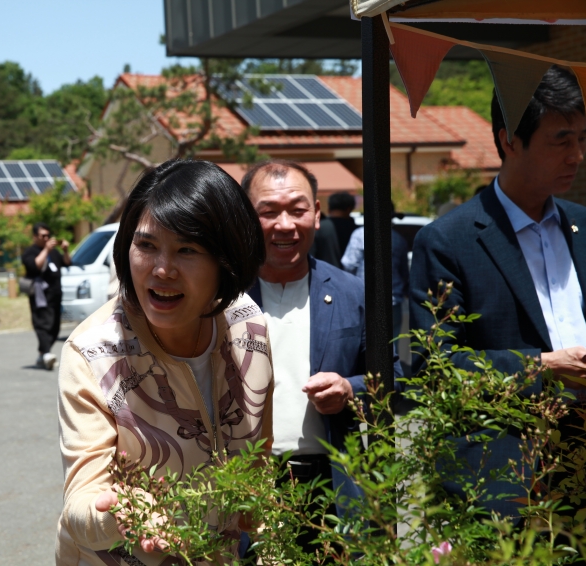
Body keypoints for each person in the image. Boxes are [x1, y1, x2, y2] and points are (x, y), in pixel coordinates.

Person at [56, 159, 273, 565]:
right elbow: (80, 501)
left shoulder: (249, 327)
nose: (161, 269)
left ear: (225, 261)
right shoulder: (92, 352)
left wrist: (273, 547)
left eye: (186, 250)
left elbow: (257, 464)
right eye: (146, 245)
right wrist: (120, 512)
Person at [409, 65, 586, 519]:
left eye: (582, 139)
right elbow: (439, 367)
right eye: (561, 140)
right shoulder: (449, 240)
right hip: (507, 478)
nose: (577, 156)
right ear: (509, 140)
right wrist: (544, 367)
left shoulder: (583, 226)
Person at [241, 159, 401, 554]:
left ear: (316, 214)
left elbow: (395, 377)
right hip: (247, 485)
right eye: (268, 211)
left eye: (297, 209)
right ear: (246, 218)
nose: (284, 224)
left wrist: (350, 387)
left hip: (332, 482)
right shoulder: (221, 295)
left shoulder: (353, 292)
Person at [340, 203, 410, 339]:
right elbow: (404, 274)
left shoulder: (360, 235)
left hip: (364, 299)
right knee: (391, 345)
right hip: (392, 301)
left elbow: (349, 265)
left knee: (364, 344)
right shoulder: (399, 239)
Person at [22, 223, 72, 370]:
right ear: (35, 237)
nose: (46, 238)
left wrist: (65, 250)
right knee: (42, 324)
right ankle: (47, 354)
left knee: (55, 327)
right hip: (39, 295)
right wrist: (46, 250)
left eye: (48, 235)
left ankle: (42, 354)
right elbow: (34, 266)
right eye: (43, 235)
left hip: (55, 294)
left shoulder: (54, 252)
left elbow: (67, 262)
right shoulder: (30, 252)